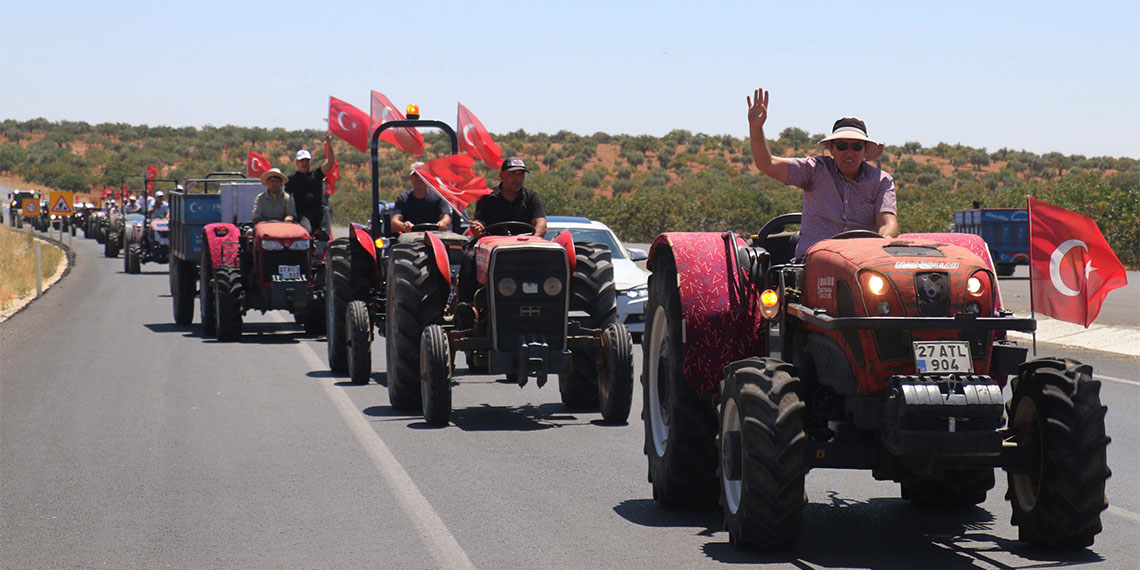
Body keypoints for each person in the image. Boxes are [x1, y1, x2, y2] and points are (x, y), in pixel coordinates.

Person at [747, 88, 899, 259]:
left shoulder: (881, 181)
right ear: (831, 149)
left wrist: (884, 239)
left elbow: (888, 223)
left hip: (861, 262)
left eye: (856, 146)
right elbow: (767, 164)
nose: (849, 152)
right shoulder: (814, 170)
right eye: (842, 146)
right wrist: (756, 128)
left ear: (865, 150)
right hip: (812, 263)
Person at [458, 157, 547, 303]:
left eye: (521, 175)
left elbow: (541, 225)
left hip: (524, 245)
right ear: (501, 176)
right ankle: (466, 304)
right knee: (469, 257)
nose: (517, 178)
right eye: (512, 174)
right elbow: (480, 222)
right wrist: (478, 227)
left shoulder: (532, 197)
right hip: (492, 246)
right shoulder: (487, 197)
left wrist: (534, 239)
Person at [286, 133, 335, 234]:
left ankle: (324, 239)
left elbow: (330, 163)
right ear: (296, 162)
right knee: (305, 231)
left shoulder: (316, 174)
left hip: (318, 211)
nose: (304, 163)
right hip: (303, 214)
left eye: (307, 161)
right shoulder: (291, 179)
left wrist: (329, 143)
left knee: (326, 210)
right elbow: (286, 199)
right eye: (302, 161)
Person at [391, 162, 451, 233]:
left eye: (422, 175)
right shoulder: (402, 199)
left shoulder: (439, 197)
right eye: (416, 175)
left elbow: (446, 216)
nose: (419, 178)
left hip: (435, 237)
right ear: (411, 178)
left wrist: (442, 223)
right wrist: (403, 225)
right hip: (410, 240)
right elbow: (394, 222)